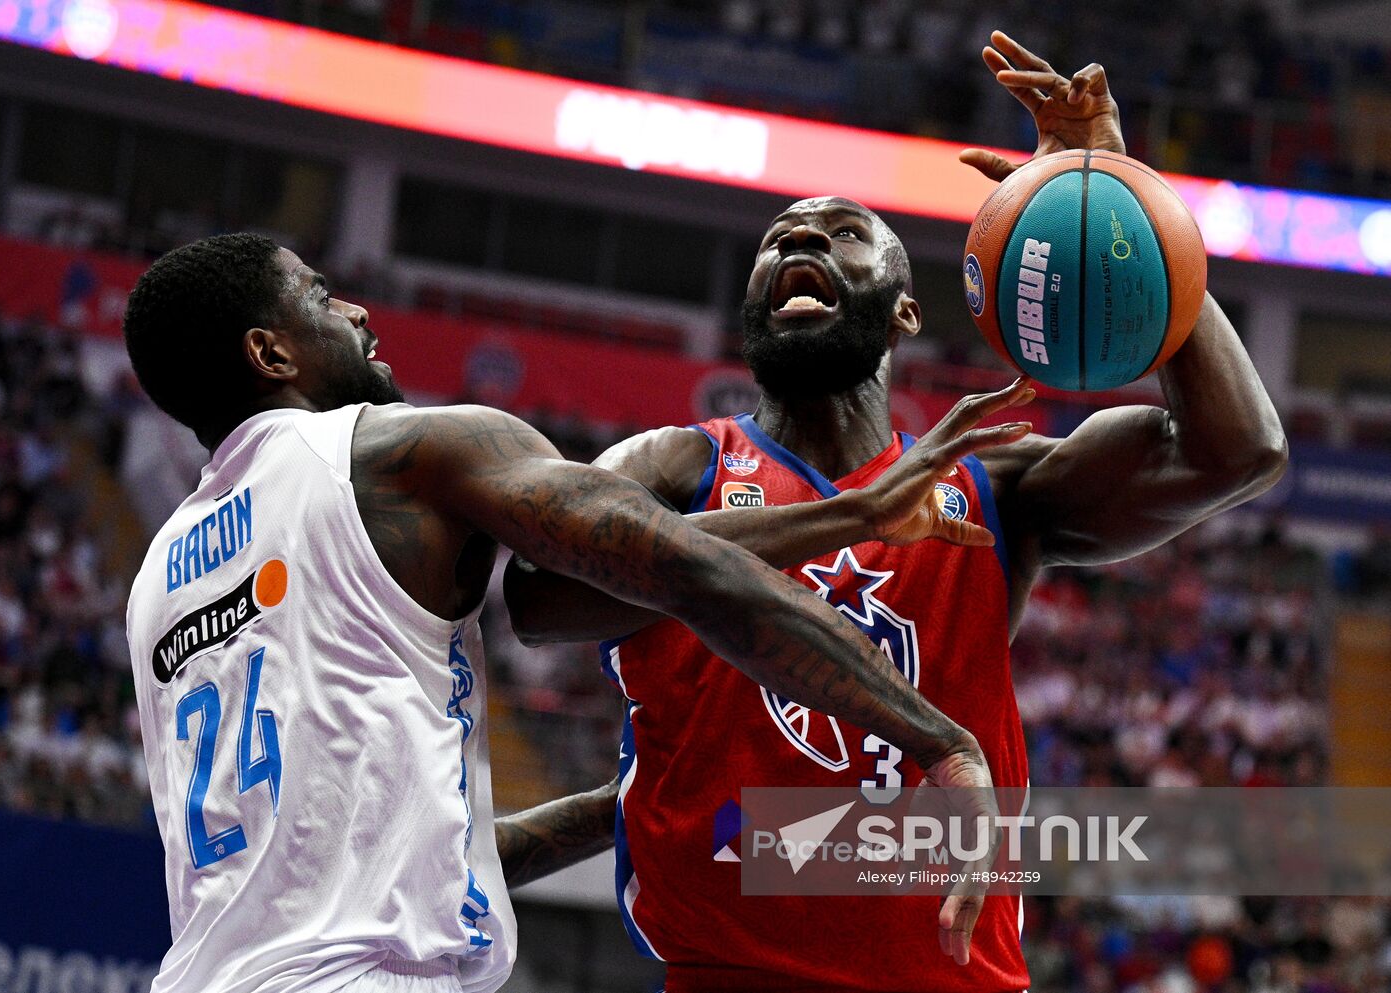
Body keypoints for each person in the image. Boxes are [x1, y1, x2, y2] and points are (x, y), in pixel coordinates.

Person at [501, 32, 1288, 993]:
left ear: (907, 313)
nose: (798, 241)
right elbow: (540, 597)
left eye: (841, 234)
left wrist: (1124, 195)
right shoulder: (678, 463)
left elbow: (1239, 450)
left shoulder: (998, 489)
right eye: (778, 239)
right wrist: (858, 514)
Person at [120, 227, 1024, 992]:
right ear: (271, 353)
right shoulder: (402, 450)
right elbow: (689, 572)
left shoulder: (160, 576)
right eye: (321, 296)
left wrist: (620, 806)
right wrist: (938, 733)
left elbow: (398, 863)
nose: (358, 311)